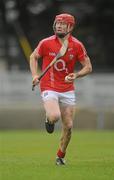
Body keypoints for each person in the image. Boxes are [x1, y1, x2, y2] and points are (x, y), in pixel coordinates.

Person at [30, 13, 92, 165]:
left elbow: (88, 67)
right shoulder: (46, 43)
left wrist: (76, 75)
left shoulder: (77, 45)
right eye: (57, 23)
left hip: (67, 88)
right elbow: (33, 57)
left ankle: (60, 156)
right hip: (49, 85)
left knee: (69, 126)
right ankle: (48, 118)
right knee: (54, 116)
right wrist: (34, 75)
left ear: (70, 27)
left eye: (62, 24)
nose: (58, 26)